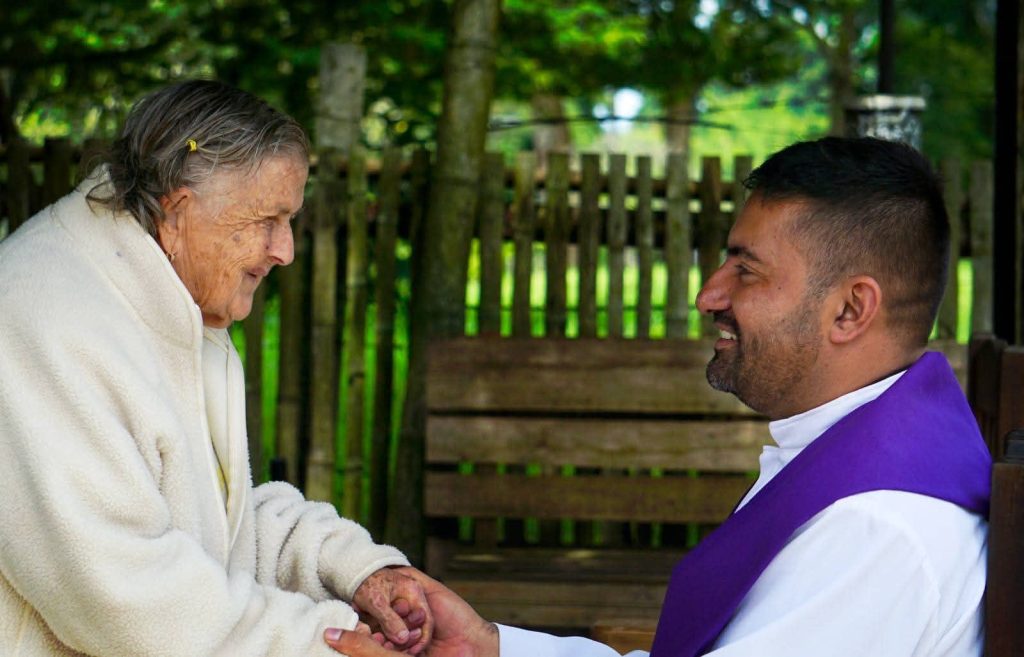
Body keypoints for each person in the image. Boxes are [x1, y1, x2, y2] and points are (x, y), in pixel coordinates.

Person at [324, 136, 992, 657]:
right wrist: (492, 647)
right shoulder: (857, 458)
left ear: (849, 310)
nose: (709, 294)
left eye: (746, 270)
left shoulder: (879, 527)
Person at [0, 80, 432, 656]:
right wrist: (322, 642)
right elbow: (123, 594)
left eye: (290, 220)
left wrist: (357, 570)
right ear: (178, 211)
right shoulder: (45, 320)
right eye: (268, 220)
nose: (285, 250)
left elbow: (217, 526)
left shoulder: (167, 291)